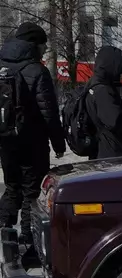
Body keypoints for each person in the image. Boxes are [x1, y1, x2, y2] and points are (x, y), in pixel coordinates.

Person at [0, 22, 65, 246]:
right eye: (43, 45)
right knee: (31, 193)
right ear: (34, 45)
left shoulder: (2, 67)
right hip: (32, 143)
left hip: (6, 140)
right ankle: (28, 242)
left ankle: (4, 231)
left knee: (12, 187)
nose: (45, 49)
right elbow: (49, 113)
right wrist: (58, 143)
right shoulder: (37, 71)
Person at [85, 45, 122, 159]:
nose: (121, 77)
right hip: (110, 153)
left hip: (106, 150)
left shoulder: (95, 85)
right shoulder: (102, 90)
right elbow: (115, 122)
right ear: (111, 68)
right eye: (119, 72)